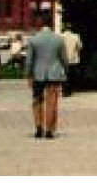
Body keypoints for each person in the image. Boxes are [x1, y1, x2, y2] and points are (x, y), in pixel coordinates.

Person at [25, 10, 69, 139]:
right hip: (54, 74)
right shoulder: (59, 39)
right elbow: (64, 59)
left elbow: (29, 60)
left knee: (37, 101)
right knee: (52, 102)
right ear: (52, 24)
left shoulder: (33, 40)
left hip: (38, 74)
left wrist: (28, 75)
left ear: (40, 25)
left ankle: (39, 128)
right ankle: (50, 130)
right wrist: (65, 70)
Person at [61, 25, 83, 96]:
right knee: (71, 75)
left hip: (63, 59)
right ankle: (70, 90)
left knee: (64, 75)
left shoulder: (60, 36)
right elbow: (80, 47)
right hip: (73, 59)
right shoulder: (76, 36)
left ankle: (64, 90)